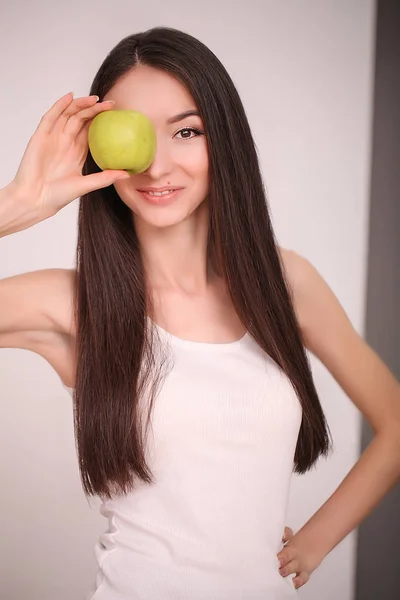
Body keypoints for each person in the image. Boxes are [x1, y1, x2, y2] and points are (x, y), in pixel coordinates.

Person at [0, 26, 399, 600]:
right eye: (133, 133)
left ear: (224, 141)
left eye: (187, 131)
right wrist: (18, 205)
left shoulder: (287, 285)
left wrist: (315, 540)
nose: (157, 165)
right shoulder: (71, 304)